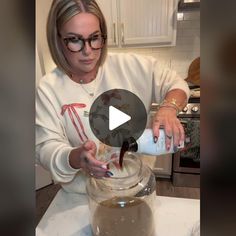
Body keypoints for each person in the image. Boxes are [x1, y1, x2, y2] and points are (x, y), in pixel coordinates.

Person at [36, 0, 190, 193]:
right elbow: (45, 146)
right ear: (58, 40)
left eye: (95, 37)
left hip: (136, 188)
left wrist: (168, 107)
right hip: (83, 196)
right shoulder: (49, 88)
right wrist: (76, 157)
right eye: (75, 39)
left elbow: (175, 83)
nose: (88, 51)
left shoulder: (130, 66)